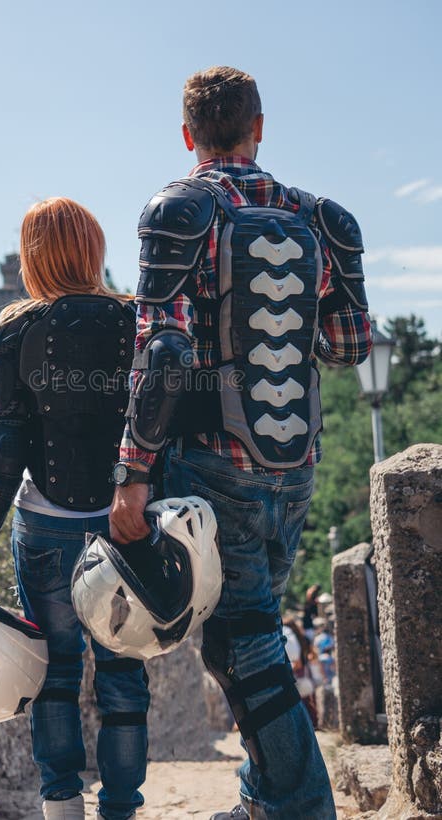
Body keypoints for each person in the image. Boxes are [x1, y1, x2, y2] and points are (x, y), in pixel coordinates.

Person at [109, 66, 372, 819]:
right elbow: (351, 346)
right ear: (260, 127)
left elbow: (163, 354)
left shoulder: (179, 210)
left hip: (209, 464)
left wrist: (132, 473)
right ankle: (261, 798)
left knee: (243, 649)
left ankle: (300, 806)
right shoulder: (322, 217)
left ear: (189, 135)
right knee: (252, 632)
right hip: (295, 465)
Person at [0, 197, 149, 820]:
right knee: (123, 680)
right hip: (125, 523)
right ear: (94, 251)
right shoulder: (135, 321)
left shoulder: (11, 329)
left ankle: (62, 809)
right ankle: (121, 810)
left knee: (56, 679)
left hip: (44, 525)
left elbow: (5, 447)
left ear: (33, 257)